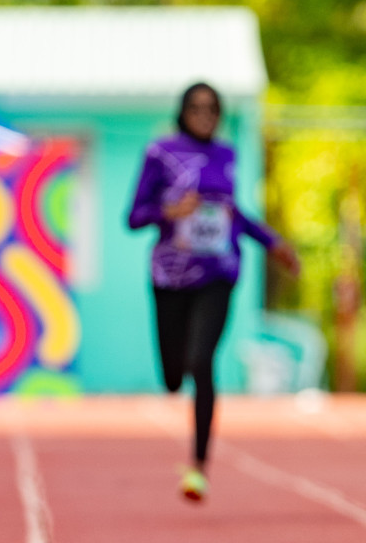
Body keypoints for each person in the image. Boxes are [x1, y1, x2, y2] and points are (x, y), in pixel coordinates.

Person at [127, 82, 299, 502]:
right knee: (173, 376)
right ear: (182, 111)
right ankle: (179, 370)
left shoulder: (228, 155)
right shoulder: (160, 153)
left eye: (213, 108)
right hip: (169, 277)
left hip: (218, 273)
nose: (205, 115)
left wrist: (272, 242)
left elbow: (233, 212)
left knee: (202, 362)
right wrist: (171, 211)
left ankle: (198, 466)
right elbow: (133, 216)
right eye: (197, 108)